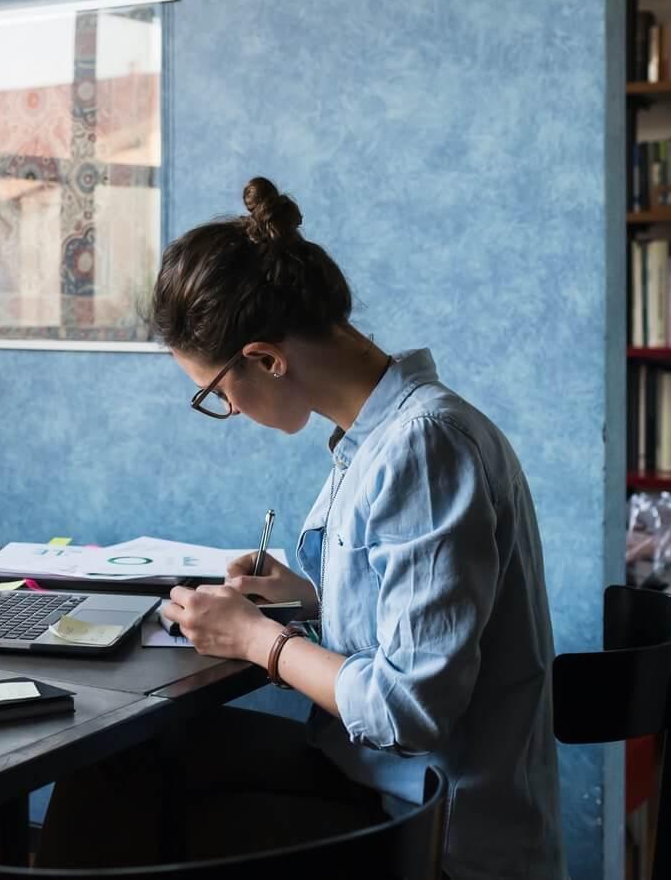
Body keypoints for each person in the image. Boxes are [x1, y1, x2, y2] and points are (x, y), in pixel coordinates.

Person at [37, 177, 564, 879]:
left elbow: (410, 706)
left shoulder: (423, 447)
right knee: (117, 762)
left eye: (218, 393)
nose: (229, 411)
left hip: (431, 832)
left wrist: (258, 639)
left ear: (264, 357)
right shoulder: (382, 436)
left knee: (126, 813)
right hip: (379, 782)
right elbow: (422, 619)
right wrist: (312, 598)